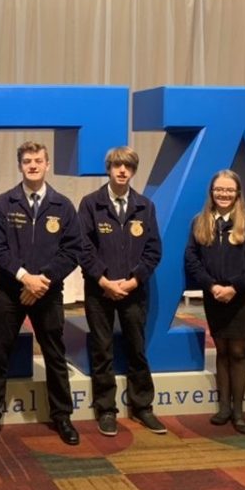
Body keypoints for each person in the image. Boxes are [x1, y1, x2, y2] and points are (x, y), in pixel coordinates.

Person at [0, 141, 81, 447]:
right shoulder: (4, 203)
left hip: (48, 292)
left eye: (38, 160)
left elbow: (72, 250)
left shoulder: (63, 206)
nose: (33, 165)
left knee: (55, 357)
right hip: (10, 292)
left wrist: (43, 280)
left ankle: (62, 416)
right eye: (27, 161)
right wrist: (25, 278)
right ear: (20, 166)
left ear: (47, 165)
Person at [78, 146, 164, 437]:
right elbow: (84, 247)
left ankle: (143, 407)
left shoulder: (145, 207)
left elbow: (153, 250)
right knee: (102, 350)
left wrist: (134, 280)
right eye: (117, 166)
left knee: (137, 349)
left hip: (134, 291)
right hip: (99, 290)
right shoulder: (91, 204)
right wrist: (104, 281)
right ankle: (106, 410)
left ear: (133, 171)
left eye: (127, 166)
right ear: (109, 169)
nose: (122, 171)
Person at [184, 170, 245, 434]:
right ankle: (223, 408)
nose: (224, 194)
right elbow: (192, 259)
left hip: (243, 298)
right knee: (221, 352)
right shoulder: (200, 221)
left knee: (239, 353)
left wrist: (234, 288)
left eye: (229, 190)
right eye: (219, 189)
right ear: (212, 192)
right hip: (214, 296)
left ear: (238, 193)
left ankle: (239, 411)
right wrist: (212, 286)